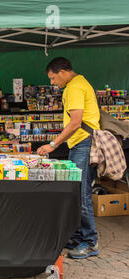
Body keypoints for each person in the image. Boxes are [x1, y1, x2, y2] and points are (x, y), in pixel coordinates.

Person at [37, 57, 100, 259]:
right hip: (81, 144)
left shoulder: (73, 88)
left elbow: (75, 123)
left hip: (83, 144)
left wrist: (53, 145)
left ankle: (90, 242)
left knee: (81, 194)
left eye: (53, 78)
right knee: (78, 192)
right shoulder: (81, 82)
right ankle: (80, 236)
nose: (53, 83)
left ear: (62, 72)